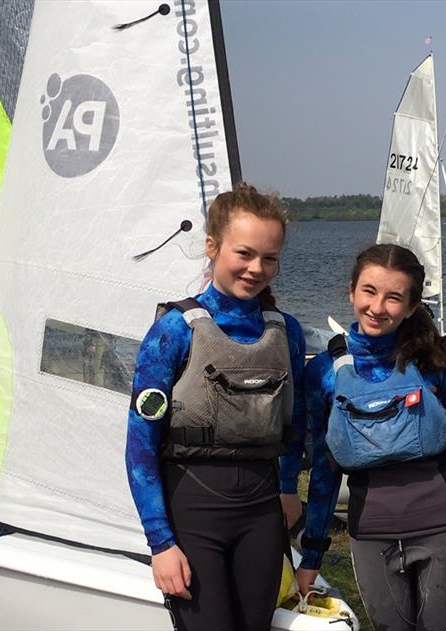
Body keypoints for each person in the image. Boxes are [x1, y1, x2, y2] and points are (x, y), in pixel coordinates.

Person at [125, 182, 307, 631]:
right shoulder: (173, 330)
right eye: (244, 253)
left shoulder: (287, 331)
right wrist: (160, 543)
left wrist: (287, 488)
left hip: (261, 513)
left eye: (270, 258)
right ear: (212, 246)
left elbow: (295, 420)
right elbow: (140, 445)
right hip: (193, 512)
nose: (256, 268)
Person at [297, 244, 446, 631]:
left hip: (445, 530)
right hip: (371, 535)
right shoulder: (325, 371)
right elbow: (323, 470)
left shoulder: (433, 361)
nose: (377, 307)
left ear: (410, 306)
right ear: (351, 292)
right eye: (369, 291)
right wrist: (312, 556)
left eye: (393, 297)